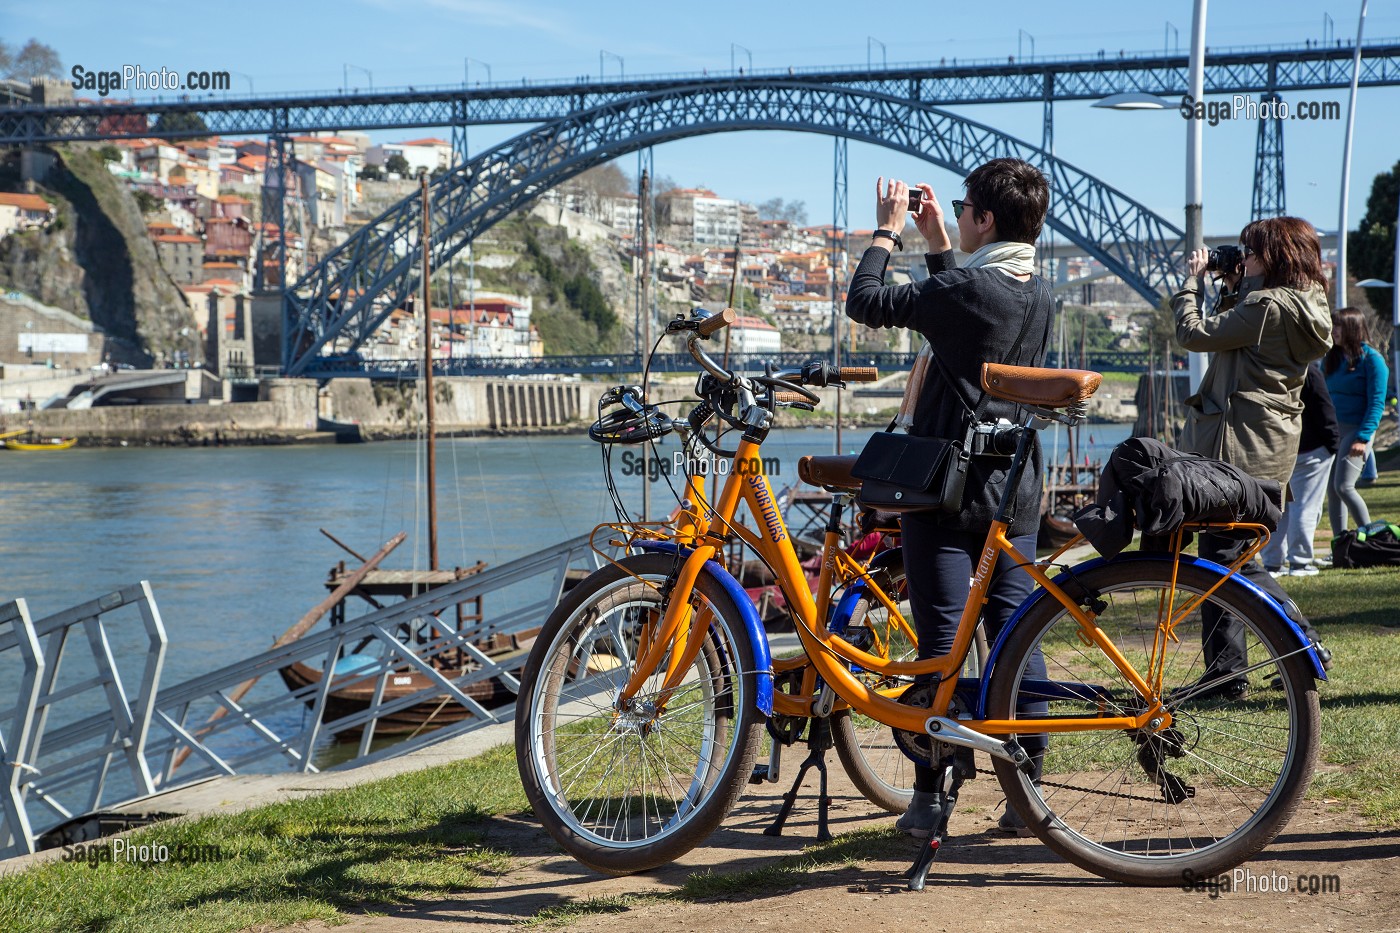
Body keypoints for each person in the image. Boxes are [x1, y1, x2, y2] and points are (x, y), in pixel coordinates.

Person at [845, 158, 1053, 837]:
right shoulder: (1037, 290)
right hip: (1013, 487)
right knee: (1014, 635)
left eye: (964, 208)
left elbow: (868, 302)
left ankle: (931, 795)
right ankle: (1027, 789)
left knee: (941, 643)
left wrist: (886, 231)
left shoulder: (969, 289)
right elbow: (960, 322)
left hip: (948, 493)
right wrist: (937, 242)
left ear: (985, 218)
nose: (958, 215)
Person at [1174, 215, 1336, 696]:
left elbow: (1195, 335)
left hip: (1236, 447)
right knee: (1235, 559)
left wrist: (1192, 284)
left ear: (1273, 255)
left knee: (1225, 561)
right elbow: (1239, 338)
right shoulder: (1303, 304)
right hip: (1268, 447)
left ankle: (1241, 669)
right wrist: (1234, 288)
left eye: (1250, 252)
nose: (1242, 259)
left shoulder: (1265, 306)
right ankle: (1242, 667)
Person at [1262, 362, 1339, 577]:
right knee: (1305, 507)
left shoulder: (1269, 368)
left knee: (1278, 508)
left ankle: (1272, 562)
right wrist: (1332, 443)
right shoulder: (1309, 371)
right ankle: (1300, 561)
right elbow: (1324, 408)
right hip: (1310, 449)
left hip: (1277, 448)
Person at [1324, 306, 1389, 538]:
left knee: (1344, 486)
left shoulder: (1373, 360)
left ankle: (1372, 538)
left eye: (1338, 326)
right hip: (1334, 431)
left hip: (1357, 431)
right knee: (1332, 491)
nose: (1333, 330)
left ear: (1353, 328)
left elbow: (1376, 404)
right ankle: (1340, 544)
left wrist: (1363, 437)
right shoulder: (1332, 358)